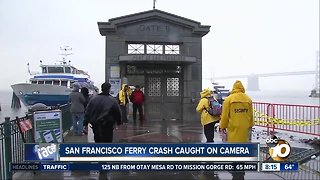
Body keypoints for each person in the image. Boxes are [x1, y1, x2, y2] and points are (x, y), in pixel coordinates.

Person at [219, 80, 254, 180]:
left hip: (233, 126)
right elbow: (251, 114)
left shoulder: (229, 99)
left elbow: (225, 115)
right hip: (244, 126)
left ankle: (235, 166)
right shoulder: (248, 99)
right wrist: (250, 125)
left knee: (234, 147)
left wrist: (222, 126)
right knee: (242, 146)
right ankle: (241, 166)